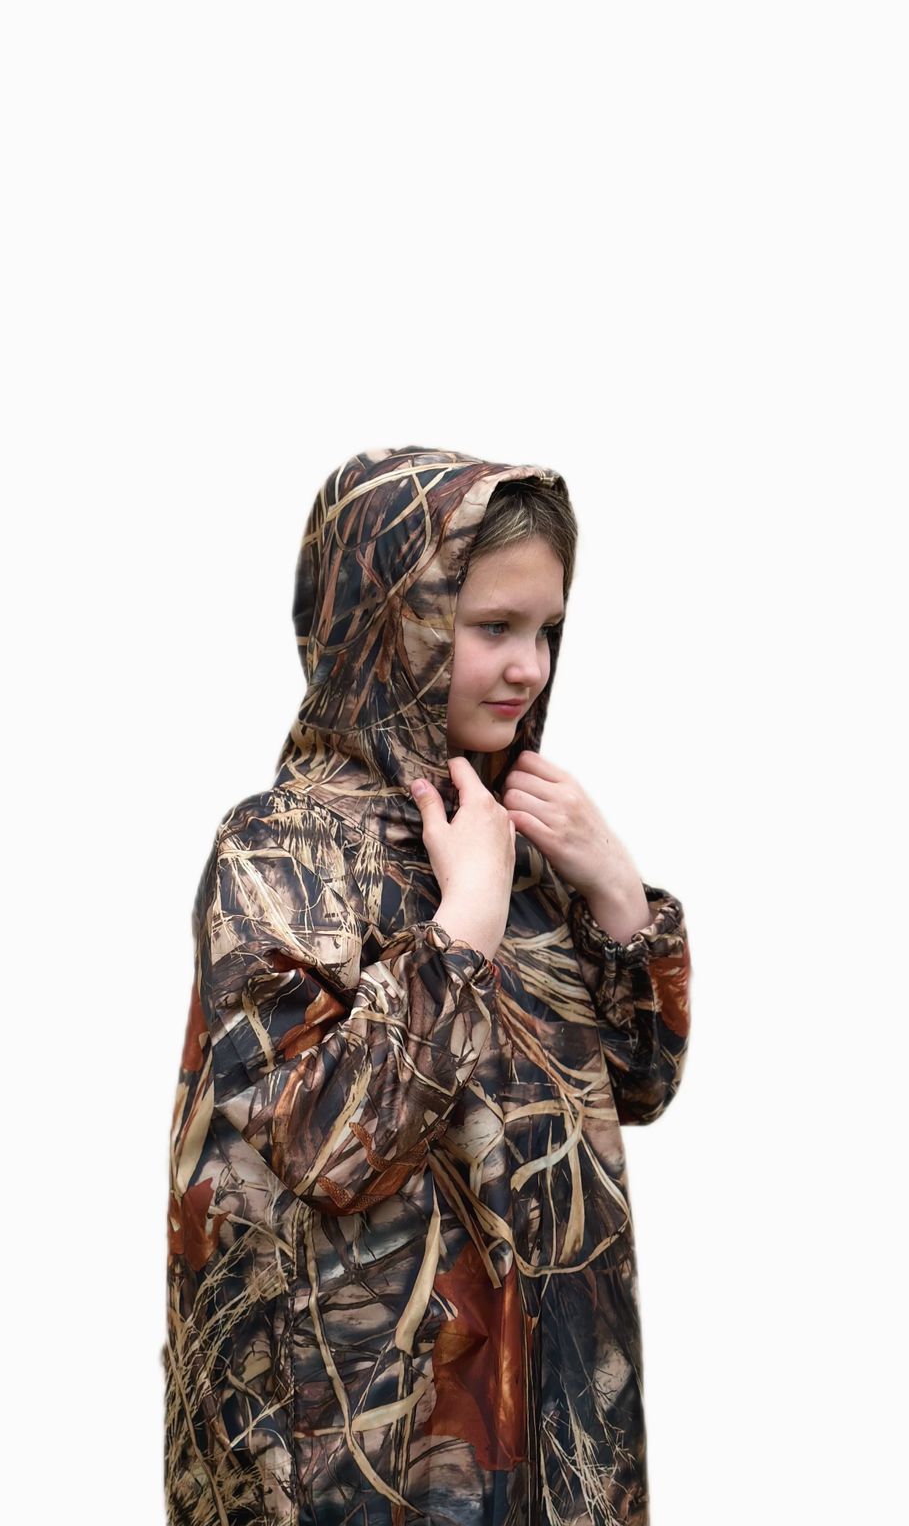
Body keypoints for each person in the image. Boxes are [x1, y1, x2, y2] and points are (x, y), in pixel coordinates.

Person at [163, 446, 692, 1526]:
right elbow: (327, 1144)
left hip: (553, 1431)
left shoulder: (516, 833)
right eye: (492, 626)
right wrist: (464, 927)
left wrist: (615, 890)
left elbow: (639, 1083)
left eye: (546, 630)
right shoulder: (278, 851)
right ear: (388, 623)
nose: (529, 667)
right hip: (357, 1452)